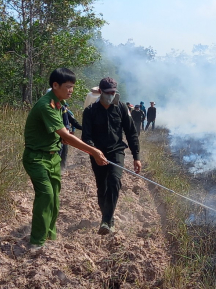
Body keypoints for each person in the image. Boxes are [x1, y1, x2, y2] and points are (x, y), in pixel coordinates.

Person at [23, 68, 107, 251]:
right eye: (68, 87)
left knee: (54, 198)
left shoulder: (59, 103)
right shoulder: (46, 105)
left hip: (53, 157)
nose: (71, 90)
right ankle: (36, 241)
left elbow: (64, 133)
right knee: (45, 195)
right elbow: (66, 137)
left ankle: (49, 235)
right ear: (55, 85)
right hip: (37, 158)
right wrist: (93, 151)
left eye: (73, 87)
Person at [82, 77, 141, 235]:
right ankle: (106, 216)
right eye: (108, 93)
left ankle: (107, 220)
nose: (111, 95)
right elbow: (86, 137)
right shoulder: (90, 111)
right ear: (100, 92)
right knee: (102, 187)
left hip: (116, 152)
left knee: (114, 181)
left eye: (113, 92)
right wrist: (95, 152)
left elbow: (131, 133)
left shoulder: (121, 108)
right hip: (97, 153)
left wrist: (136, 156)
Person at [58, 101, 83, 170]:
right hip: (56, 137)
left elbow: (73, 121)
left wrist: (83, 128)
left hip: (65, 135)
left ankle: (62, 168)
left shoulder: (65, 111)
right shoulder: (49, 110)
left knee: (64, 152)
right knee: (57, 153)